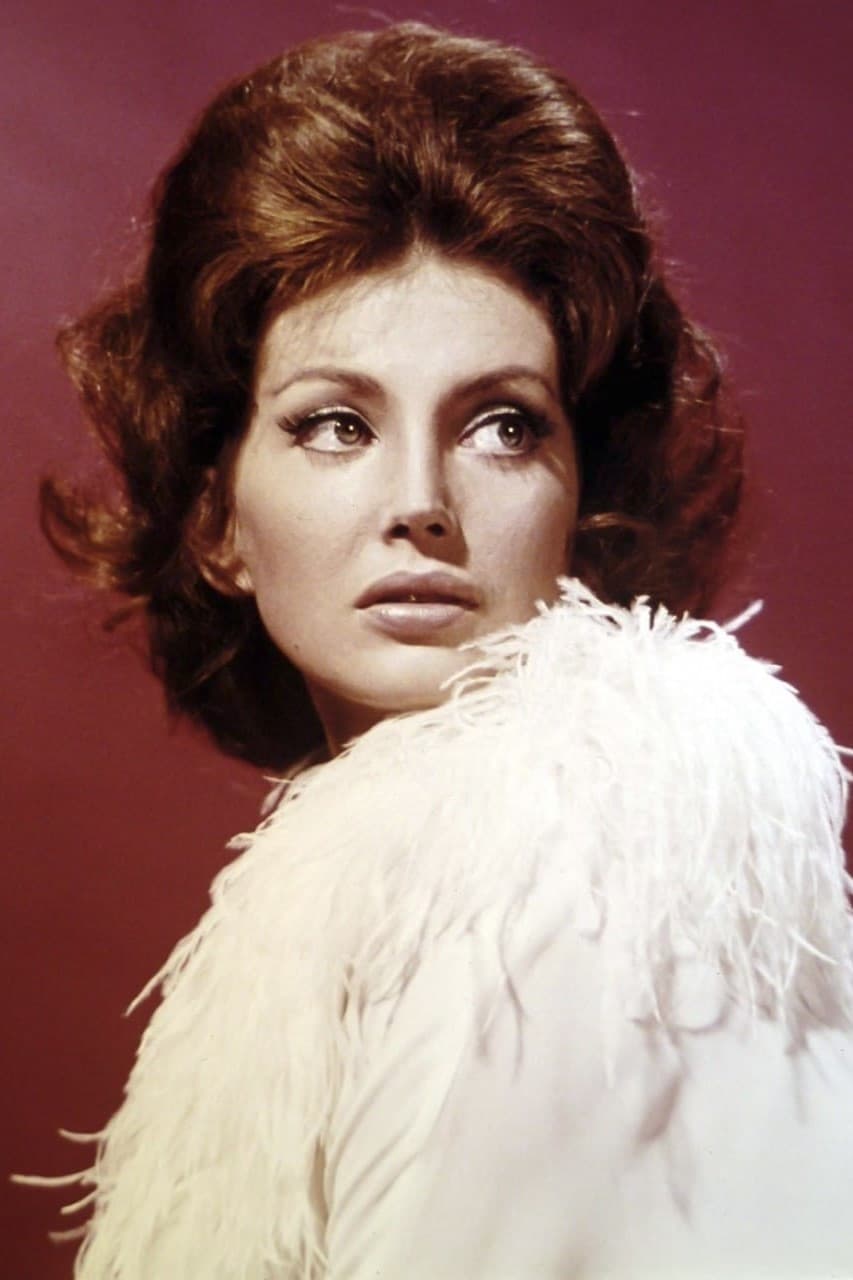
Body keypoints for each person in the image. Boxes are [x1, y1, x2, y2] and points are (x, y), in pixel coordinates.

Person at [25, 21, 853, 1279]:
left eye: (502, 425)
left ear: (579, 502)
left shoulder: (583, 873)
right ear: (216, 519)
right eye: (336, 424)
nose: (420, 501)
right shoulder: (368, 899)